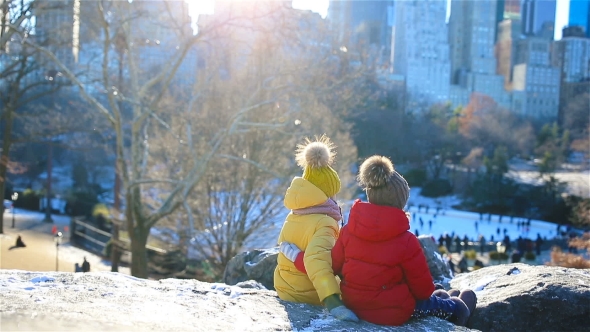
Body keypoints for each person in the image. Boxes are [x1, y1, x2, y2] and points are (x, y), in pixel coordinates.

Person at [280, 155, 476, 326]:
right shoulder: (406, 241)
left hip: (353, 304)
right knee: (448, 303)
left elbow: (333, 265)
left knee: (435, 295)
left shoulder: (348, 231)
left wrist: (298, 258)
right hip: (392, 312)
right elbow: (423, 289)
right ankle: (460, 310)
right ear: (400, 202)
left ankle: (440, 297)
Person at [273, 135, 357, 322]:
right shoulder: (325, 222)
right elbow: (318, 262)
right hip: (307, 293)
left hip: (284, 287)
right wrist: (333, 301)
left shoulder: (295, 213)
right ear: (326, 195)